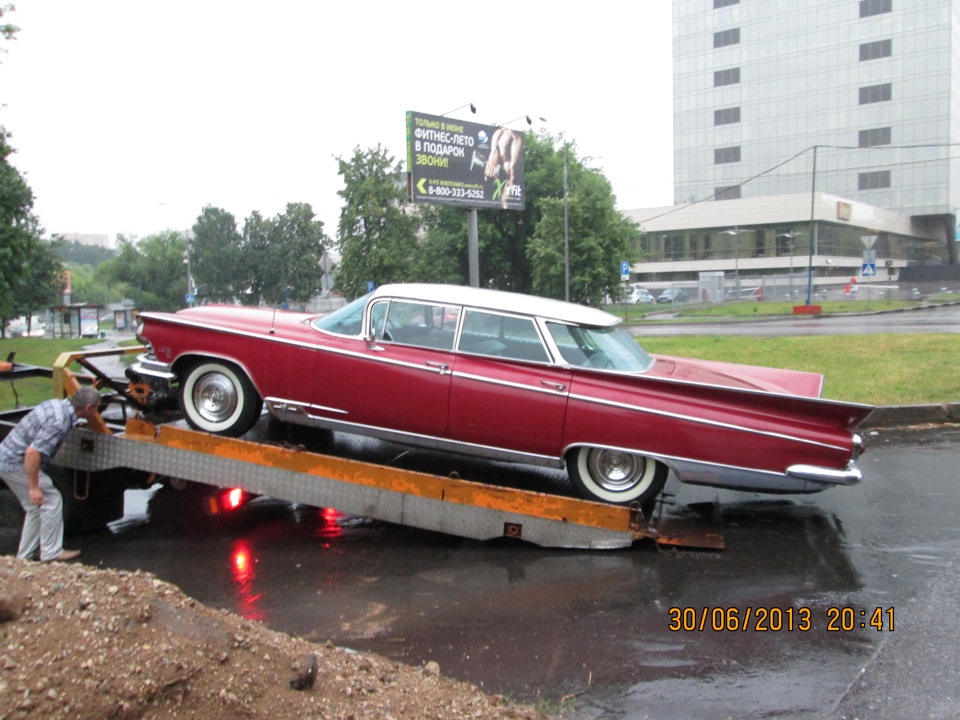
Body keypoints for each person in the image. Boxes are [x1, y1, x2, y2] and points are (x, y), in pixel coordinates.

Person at [0, 386, 102, 562]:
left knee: (34, 508)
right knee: (51, 500)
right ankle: (51, 552)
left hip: (5, 457)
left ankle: (24, 558)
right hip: (14, 462)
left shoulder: (58, 406)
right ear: (88, 408)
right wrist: (33, 488)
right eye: (97, 407)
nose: (97, 411)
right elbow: (32, 453)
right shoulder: (59, 421)